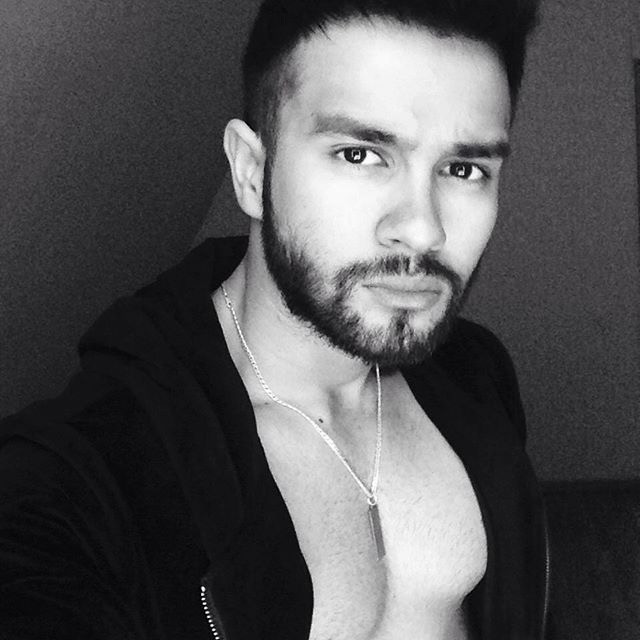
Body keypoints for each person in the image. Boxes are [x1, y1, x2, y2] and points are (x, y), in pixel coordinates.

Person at [0, 0, 548, 638]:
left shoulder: (476, 375)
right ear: (251, 170)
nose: (423, 230)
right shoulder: (76, 479)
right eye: (360, 154)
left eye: (463, 169)